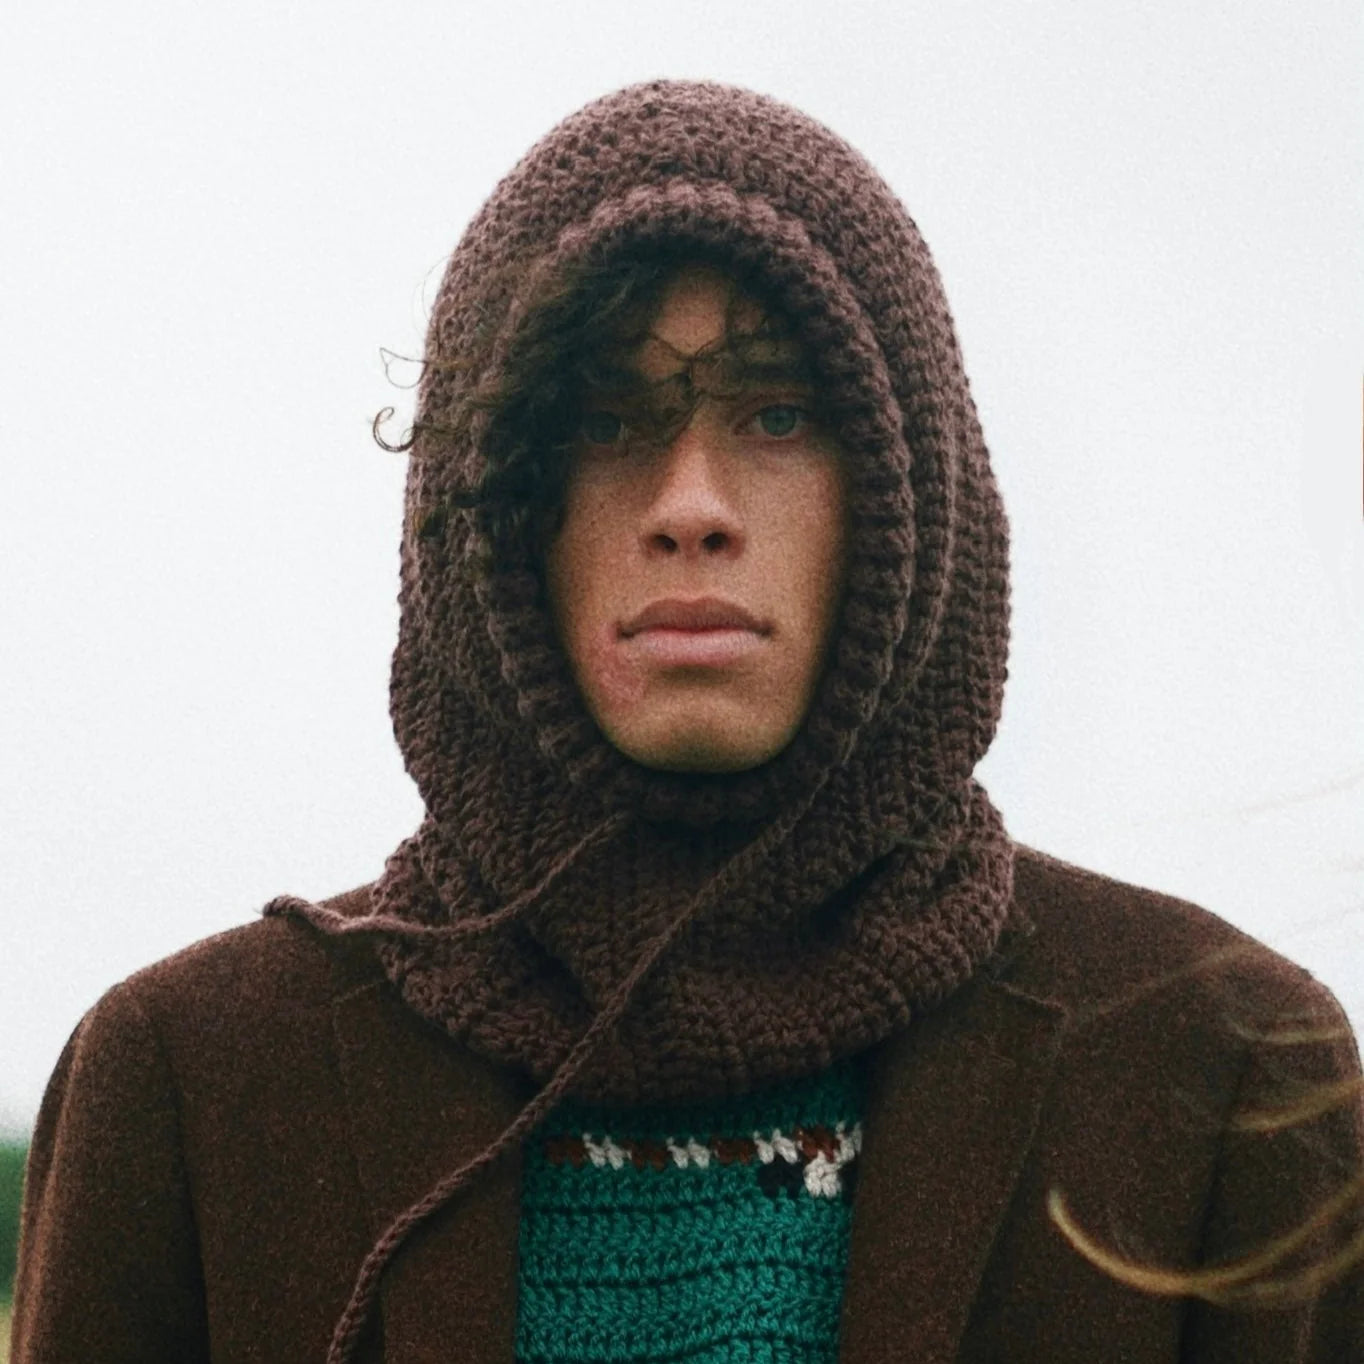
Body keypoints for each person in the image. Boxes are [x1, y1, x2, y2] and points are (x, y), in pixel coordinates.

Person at [12, 79, 1362, 1364]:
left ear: (912, 482)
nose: (692, 504)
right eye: (606, 420)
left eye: (780, 411)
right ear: (483, 508)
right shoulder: (194, 1086)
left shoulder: (1220, 1071)